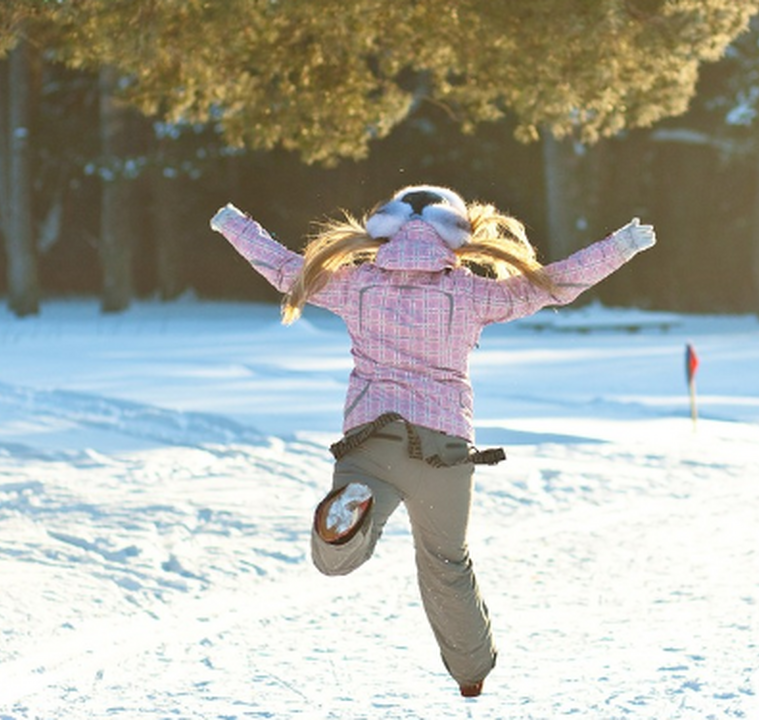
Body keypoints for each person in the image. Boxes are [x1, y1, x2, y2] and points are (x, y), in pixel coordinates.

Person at [210, 185, 656, 698]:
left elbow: (288, 270)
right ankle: (472, 674)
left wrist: (235, 225)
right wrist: (620, 246)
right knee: (447, 563)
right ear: (455, 233)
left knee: (339, 557)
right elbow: (550, 285)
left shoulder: (356, 285)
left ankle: (346, 522)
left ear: (388, 228)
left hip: (370, 439)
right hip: (444, 446)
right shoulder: (469, 292)